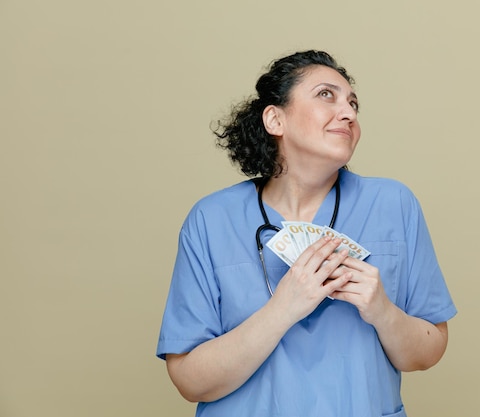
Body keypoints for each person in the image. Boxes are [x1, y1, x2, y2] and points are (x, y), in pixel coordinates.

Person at [156, 50, 457, 417]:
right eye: (326, 95)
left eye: (353, 103)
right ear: (275, 119)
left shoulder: (393, 204)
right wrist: (283, 308)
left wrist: (382, 311)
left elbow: (429, 351)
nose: (348, 113)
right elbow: (189, 380)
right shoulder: (211, 220)